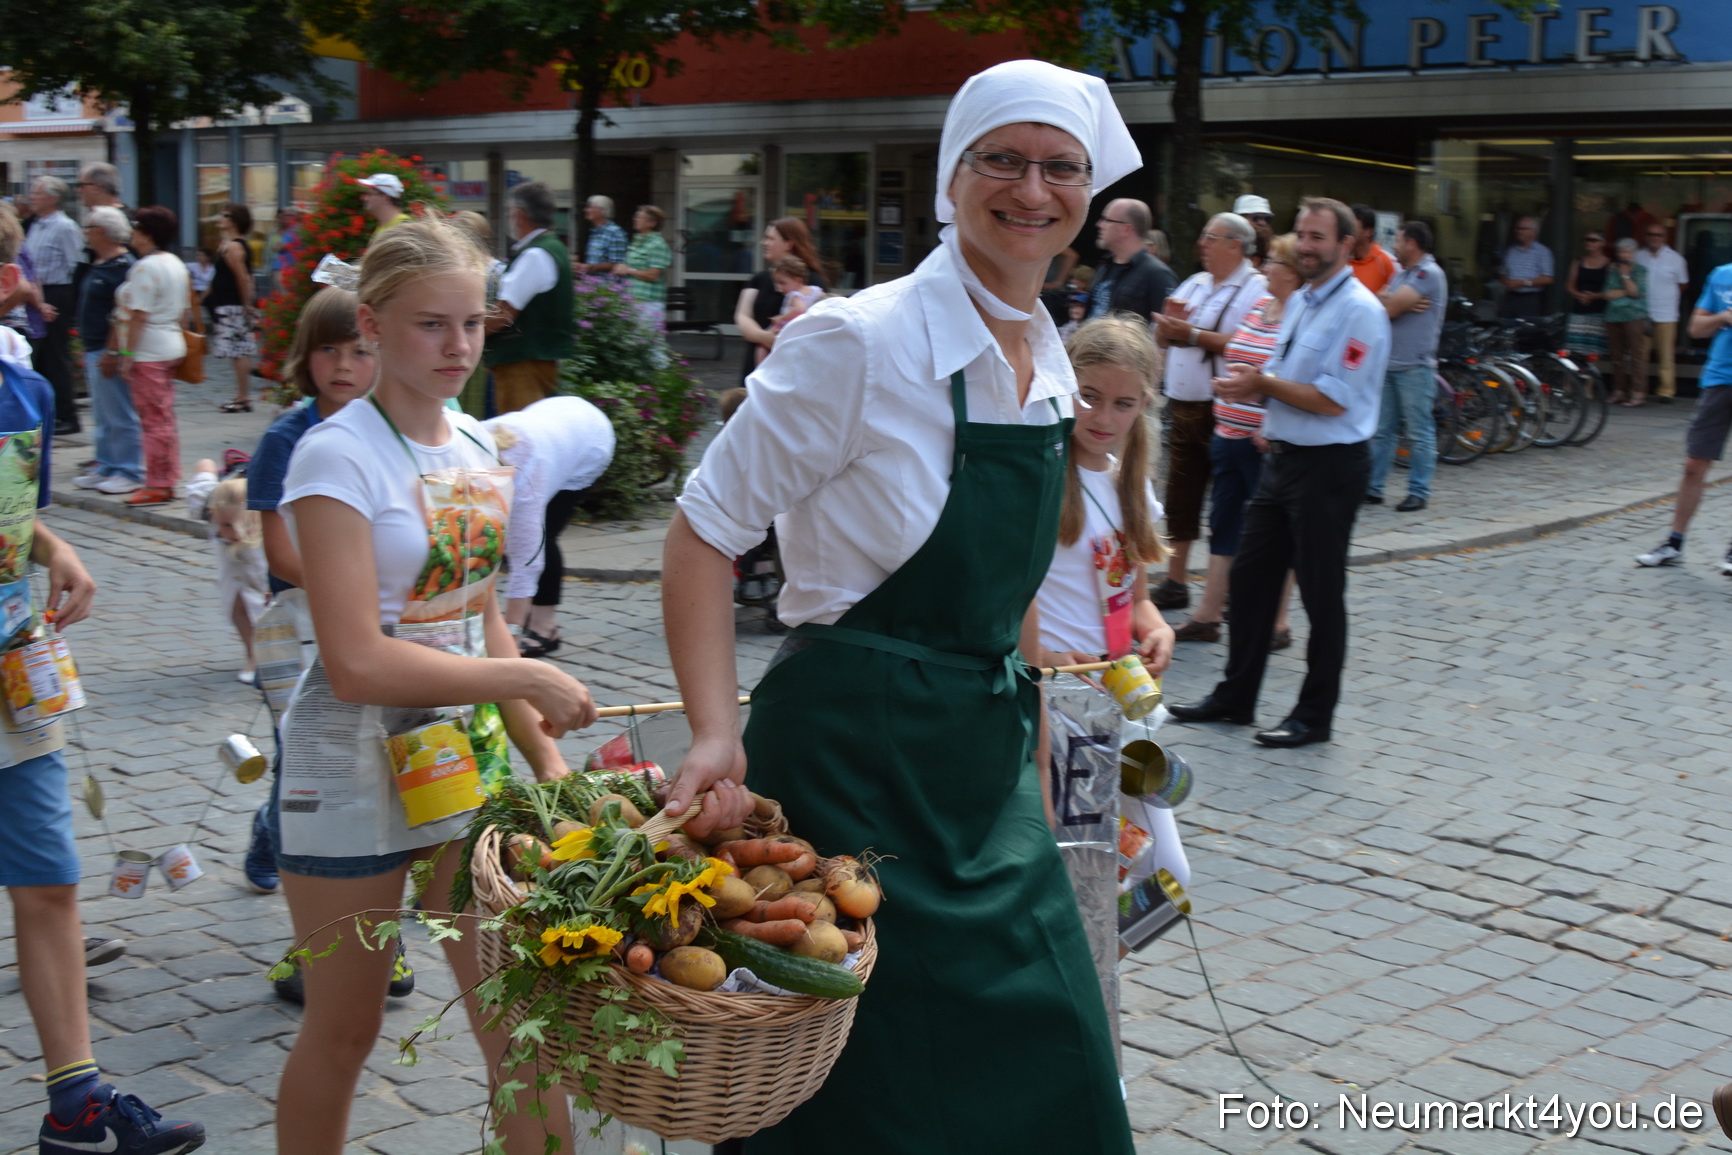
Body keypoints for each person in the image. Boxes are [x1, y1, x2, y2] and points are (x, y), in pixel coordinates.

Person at [663, 58, 1139, 1154]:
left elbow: (1010, 590)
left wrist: (1026, 751)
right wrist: (715, 731)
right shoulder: (859, 340)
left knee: (1056, 1057)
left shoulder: (1054, 360)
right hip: (849, 764)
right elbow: (701, 532)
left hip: (982, 772)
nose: (1032, 189)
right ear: (951, 176)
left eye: (1060, 167)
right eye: (1002, 161)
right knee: (861, 1099)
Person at [270, 218, 593, 1153]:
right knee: (345, 1027)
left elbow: (476, 609)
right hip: (349, 759)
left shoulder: (479, 441)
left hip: (461, 755)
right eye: (430, 325)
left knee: (521, 1026)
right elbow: (356, 660)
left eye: (473, 324)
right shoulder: (336, 454)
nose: (457, 347)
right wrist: (524, 670)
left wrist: (546, 754)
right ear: (369, 324)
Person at [0, 204, 207, 1155]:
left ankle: (75, 1107)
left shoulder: (17, 374)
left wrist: (52, 540)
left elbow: (11, 504)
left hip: (13, 663)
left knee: (49, 881)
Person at [1169, 197, 1390, 749]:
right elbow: (1287, 372)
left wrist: (1262, 388)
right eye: (1303, 234)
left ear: (1345, 245)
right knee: (1249, 579)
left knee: (1320, 595)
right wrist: (1263, 400)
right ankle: (1235, 698)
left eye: (1319, 237)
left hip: (1330, 467)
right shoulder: (1303, 301)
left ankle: (1314, 717)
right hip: (1283, 458)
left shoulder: (1359, 310)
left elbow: (1334, 400)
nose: (1307, 245)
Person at [1172, 233, 1301, 648]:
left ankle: (1277, 623)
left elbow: (1294, 375)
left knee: (1276, 531)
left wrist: (1269, 416)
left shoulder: (1302, 313)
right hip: (1228, 432)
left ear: (1294, 272)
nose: (1265, 268)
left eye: (1274, 263)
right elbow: (1240, 353)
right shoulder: (1263, 307)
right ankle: (1209, 615)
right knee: (1223, 524)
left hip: (1266, 441)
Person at [1035, 317, 1174, 674]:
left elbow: (1138, 597)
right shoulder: (1038, 480)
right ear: (1066, 384)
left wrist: (1157, 628)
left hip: (1114, 681)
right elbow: (998, 600)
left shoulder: (1131, 485)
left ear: (1143, 404)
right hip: (1052, 679)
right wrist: (1039, 655)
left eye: (1122, 404)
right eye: (1089, 397)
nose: (1103, 418)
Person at [1150, 212, 1267, 611]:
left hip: (1226, 411)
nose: (1201, 243)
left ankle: (1232, 588)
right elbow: (1168, 332)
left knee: (1229, 503)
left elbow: (1249, 341)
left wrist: (1192, 334)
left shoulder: (1257, 287)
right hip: (1183, 406)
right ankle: (1175, 580)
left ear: (1235, 244)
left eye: (1209, 237)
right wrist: (1165, 331)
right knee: (1180, 495)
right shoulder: (1196, 283)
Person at [482, 395, 615, 657]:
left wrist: (508, 635)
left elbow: (528, 560)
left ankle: (545, 627)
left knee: (544, 535)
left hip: (589, 440)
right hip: (553, 419)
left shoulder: (525, 485)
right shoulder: (467, 442)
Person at [1633, 256, 1732, 576]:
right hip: (1719, 378)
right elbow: (1696, 327)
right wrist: (1725, 316)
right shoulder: (1721, 274)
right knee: (1694, 465)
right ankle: (1674, 544)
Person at [1367, 220, 1448, 512]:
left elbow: (1386, 308)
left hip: (1415, 366)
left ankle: (1418, 491)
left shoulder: (1428, 273)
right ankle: (1373, 488)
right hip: (1390, 364)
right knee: (1382, 430)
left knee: (1418, 432)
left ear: (1412, 243)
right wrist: (1393, 301)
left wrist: (1392, 302)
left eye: (1398, 240)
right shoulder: (1403, 275)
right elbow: (1379, 302)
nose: (1394, 246)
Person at [112, 206, 189, 508]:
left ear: (146, 233)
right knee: (163, 417)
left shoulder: (145, 267)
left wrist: (127, 355)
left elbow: (138, 316)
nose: (132, 233)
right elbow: (182, 311)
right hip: (169, 344)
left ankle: (159, 483)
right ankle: (166, 478)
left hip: (149, 350)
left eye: (136, 228)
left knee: (154, 420)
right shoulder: (175, 262)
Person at [483, 181, 575, 414]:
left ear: (519, 214)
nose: (509, 217)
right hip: (532, 360)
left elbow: (503, 314)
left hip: (523, 364)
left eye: (509, 211)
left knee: (518, 441)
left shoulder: (535, 254)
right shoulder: (551, 247)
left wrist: (467, 334)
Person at [70, 207, 141, 497]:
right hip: (93, 346)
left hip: (106, 348)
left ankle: (128, 469)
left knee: (119, 412)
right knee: (102, 413)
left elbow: (123, 313)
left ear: (101, 231)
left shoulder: (123, 266)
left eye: (88, 227)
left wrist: (114, 351)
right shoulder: (100, 263)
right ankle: (107, 464)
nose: (84, 232)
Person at [187, 471, 269, 683]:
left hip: (263, 579)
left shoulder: (267, 530)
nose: (232, 533)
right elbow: (201, 487)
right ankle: (253, 655)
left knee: (266, 612)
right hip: (233, 579)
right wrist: (206, 468)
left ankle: (273, 653)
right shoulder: (212, 509)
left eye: (240, 525)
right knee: (238, 610)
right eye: (224, 525)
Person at [731, 217, 826, 382]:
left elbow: (821, 323)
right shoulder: (759, 279)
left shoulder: (814, 282)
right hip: (756, 366)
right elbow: (742, 316)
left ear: (789, 244)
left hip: (794, 369)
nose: (763, 242)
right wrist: (764, 337)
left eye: (770, 238)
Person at [22, 177, 81, 435]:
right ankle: (48, 413)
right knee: (40, 358)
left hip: (57, 293)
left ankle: (68, 415)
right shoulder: (35, 225)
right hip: (38, 293)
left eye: (37, 193)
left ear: (53, 198)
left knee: (56, 357)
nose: (31, 197)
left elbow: (75, 265)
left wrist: (69, 304)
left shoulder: (64, 227)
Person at [208, 203, 259, 413]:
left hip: (233, 305)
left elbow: (242, 276)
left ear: (234, 220)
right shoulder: (230, 244)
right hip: (230, 303)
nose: (220, 218)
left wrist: (246, 303)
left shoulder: (234, 246)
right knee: (236, 351)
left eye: (225, 215)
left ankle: (243, 397)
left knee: (239, 351)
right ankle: (241, 395)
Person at [1089, 197, 1174, 320]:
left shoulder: (1157, 274)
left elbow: (1166, 328)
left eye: (1106, 220)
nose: (1099, 225)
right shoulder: (1104, 266)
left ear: (1126, 229)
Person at [1636, 221, 1689, 404]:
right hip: (1641, 312)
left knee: (1666, 355)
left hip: (1666, 313)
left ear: (1665, 238)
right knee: (1639, 355)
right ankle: (1638, 390)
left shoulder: (1676, 259)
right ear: (1645, 236)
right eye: (1651, 234)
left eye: (1658, 235)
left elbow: (1683, 285)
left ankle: (1666, 391)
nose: (1654, 238)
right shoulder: (1638, 256)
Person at [1603, 237, 1649, 406]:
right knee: (1616, 356)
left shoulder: (1641, 270)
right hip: (1613, 316)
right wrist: (1626, 291)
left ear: (1635, 254)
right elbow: (1607, 294)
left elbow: (1636, 292)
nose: (1625, 255)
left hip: (1634, 316)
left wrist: (1624, 274)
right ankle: (1619, 390)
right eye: (1622, 252)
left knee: (1637, 356)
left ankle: (1638, 392)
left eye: (1628, 252)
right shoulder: (1611, 270)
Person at [616, 204, 673, 324]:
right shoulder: (637, 242)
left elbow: (653, 275)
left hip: (648, 302)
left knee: (647, 341)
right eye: (636, 216)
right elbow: (631, 267)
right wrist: (621, 268)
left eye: (639, 217)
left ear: (652, 223)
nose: (635, 219)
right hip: (632, 298)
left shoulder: (657, 245)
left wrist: (629, 270)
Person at [1565, 231, 1612, 360]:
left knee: (1593, 353)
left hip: (1598, 311)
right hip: (1579, 311)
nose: (1588, 242)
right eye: (1586, 240)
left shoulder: (1609, 264)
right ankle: (1572, 379)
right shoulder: (1578, 262)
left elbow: (1611, 289)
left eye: (1593, 240)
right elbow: (1569, 284)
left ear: (1602, 243)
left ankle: (1591, 380)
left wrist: (1595, 296)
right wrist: (1579, 295)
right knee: (1574, 351)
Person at [1500, 216, 1554, 318]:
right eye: (1518, 228)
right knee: (1505, 327)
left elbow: (1548, 278)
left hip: (1530, 299)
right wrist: (1506, 282)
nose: (1519, 231)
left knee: (1526, 331)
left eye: (1523, 229)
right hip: (1510, 297)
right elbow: (1503, 273)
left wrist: (1523, 283)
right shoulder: (1511, 251)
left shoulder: (1543, 252)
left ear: (1533, 232)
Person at [1347, 203, 1397, 294]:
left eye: (1352, 227)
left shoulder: (1386, 261)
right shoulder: (1341, 259)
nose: (1347, 231)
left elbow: (1398, 299)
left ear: (1368, 232)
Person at [577, 194, 627, 275]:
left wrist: (590, 267)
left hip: (608, 285)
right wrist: (583, 268)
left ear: (602, 211)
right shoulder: (595, 232)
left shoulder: (614, 232)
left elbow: (617, 264)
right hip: (593, 283)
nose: (586, 210)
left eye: (589, 207)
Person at [1234, 194, 1276, 269]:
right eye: (1257, 218)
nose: (1263, 223)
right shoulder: (1229, 246)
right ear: (1240, 219)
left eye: (1267, 219)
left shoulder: (1275, 250)